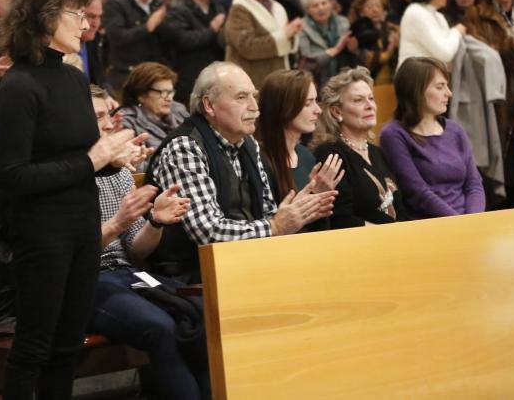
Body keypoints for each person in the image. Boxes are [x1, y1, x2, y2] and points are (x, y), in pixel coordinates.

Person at [0, 0, 147, 399]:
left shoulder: (74, 78)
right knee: (35, 346)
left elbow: (80, 159)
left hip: (83, 227)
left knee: (68, 346)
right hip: (41, 233)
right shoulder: (18, 85)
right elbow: (14, 176)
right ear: (44, 18)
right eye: (76, 14)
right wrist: (91, 160)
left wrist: (112, 160)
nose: (85, 25)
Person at [145, 62, 336, 282]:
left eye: (254, 96)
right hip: (192, 277)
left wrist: (299, 211)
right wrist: (274, 226)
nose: (255, 107)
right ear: (209, 105)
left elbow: (268, 212)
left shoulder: (249, 144)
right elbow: (208, 233)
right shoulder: (185, 148)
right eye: (241, 97)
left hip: (246, 266)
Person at [87, 84, 209, 400]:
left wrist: (155, 221)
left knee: (201, 313)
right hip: (86, 281)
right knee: (160, 327)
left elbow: (137, 249)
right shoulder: (66, 177)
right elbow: (70, 253)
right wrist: (118, 222)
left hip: (129, 276)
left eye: (108, 115)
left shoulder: (119, 173)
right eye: (98, 116)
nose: (108, 124)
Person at [379, 57, 485, 219]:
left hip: (468, 221)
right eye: (440, 87)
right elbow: (417, 193)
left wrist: (474, 219)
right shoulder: (393, 134)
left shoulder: (455, 130)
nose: (449, 93)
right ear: (417, 91)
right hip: (429, 226)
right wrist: (460, 223)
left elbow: (474, 184)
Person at [464, 0, 514, 207]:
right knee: (502, 147)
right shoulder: (477, 14)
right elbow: (481, 57)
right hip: (496, 90)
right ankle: (501, 202)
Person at [312, 67, 406, 227]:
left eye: (371, 98)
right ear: (336, 111)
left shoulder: (377, 152)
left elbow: (400, 208)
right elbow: (341, 219)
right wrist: (390, 237)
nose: (370, 105)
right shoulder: (330, 154)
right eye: (358, 100)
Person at [256, 69, 343, 232]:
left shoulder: (306, 155)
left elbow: (320, 229)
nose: (318, 110)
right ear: (284, 107)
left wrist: (319, 201)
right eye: (308, 103)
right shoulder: (260, 160)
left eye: (316, 101)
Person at [224, 0, 301, 89]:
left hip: (279, 73)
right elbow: (247, 46)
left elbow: (287, 41)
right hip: (253, 78)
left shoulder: (277, 7)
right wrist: (284, 35)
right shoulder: (239, 9)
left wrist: (292, 34)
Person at [162, 0, 226, 105]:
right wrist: (211, 30)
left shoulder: (218, 7)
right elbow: (183, 40)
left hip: (216, 72)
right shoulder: (178, 9)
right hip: (190, 75)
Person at [102, 0, 167, 91]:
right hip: (127, 74)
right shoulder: (116, 4)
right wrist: (147, 27)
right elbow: (117, 37)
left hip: (155, 72)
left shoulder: (158, 3)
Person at [398, 0, 466, 69]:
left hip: (430, 77)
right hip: (414, 80)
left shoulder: (438, 16)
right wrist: (457, 31)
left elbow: (447, 58)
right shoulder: (415, 12)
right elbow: (446, 53)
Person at [119, 62, 189, 152]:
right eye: (162, 92)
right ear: (141, 95)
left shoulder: (179, 111)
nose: (169, 98)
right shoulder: (127, 122)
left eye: (170, 92)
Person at [298, 0, 357, 89]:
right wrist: (335, 50)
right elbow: (306, 63)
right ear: (307, 10)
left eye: (324, 3)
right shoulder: (301, 28)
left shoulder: (344, 22)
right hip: (317, 86)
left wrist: (353, 49)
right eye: (315, 6)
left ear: (331, 3)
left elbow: (353, 57)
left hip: (345, 83)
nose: (321, 8)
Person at [348, 0, 399, 83]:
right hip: (367, 81)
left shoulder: (391, 29)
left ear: (384, 11)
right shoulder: (358, 32)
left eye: (378, 6)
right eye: (369, 7)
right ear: (361, 12)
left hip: (391, 80)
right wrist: (391, 49)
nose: (375, 10)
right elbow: (368, 60)